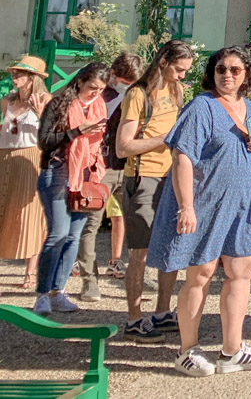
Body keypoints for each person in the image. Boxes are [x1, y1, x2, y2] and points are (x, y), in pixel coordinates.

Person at [146, 47, 251, 377]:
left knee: (241, 274)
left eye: (234, 70)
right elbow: (182, 157)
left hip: (244, 205)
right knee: (199, 275)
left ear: (246, 75)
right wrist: (187, 206)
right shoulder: (201, 107)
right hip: (206, 205)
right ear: (212, 73)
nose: (227, 75)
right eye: (221, 69)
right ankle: (187, 351)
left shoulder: (250, 108)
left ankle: (232, 349)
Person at [116, 40, 194, 343]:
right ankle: (134, 319)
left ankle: (162, 311)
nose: (183, 76)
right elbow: (123, 147)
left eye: (187, 71)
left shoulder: (177, 90)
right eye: (179, 69)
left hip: (170, 175)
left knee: (171, 244)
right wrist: (165, 137)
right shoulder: (138, 94)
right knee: (141, 250)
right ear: (163, 63)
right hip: (142, 177)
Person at [33, 62, 109, 316]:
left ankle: (59, 291)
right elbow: (44, 142)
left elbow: (99, 143)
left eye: (100, 90)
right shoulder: (58, 104)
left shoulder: (98, 107)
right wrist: (77, 131)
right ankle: (43, 294)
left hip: (86, 174)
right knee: (58, 234)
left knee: (74, 235)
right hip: (58, 171)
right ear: (79, 82)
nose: (95, 94)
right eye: (91, 88)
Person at [77, 51, 143, 303]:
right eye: (124, 81)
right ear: (113, 75)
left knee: (136, 221)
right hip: (100, 167)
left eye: (132, 82)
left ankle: (135, 274)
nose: (127, 86)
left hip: (126, 167)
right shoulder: (99, 97)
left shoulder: (136, 96)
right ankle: (89, 281)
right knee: (90, 224)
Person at [0, 56, 51, 291]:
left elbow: (51, 134)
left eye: (20, 73)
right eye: (14, 72)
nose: (15, 76)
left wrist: (41, 114)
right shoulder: (6, 101)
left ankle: (30, 271)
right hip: (5, 156)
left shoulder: (45, 100)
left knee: (30, 215)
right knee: (4, 210)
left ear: (33, 78)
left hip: (31, 156)